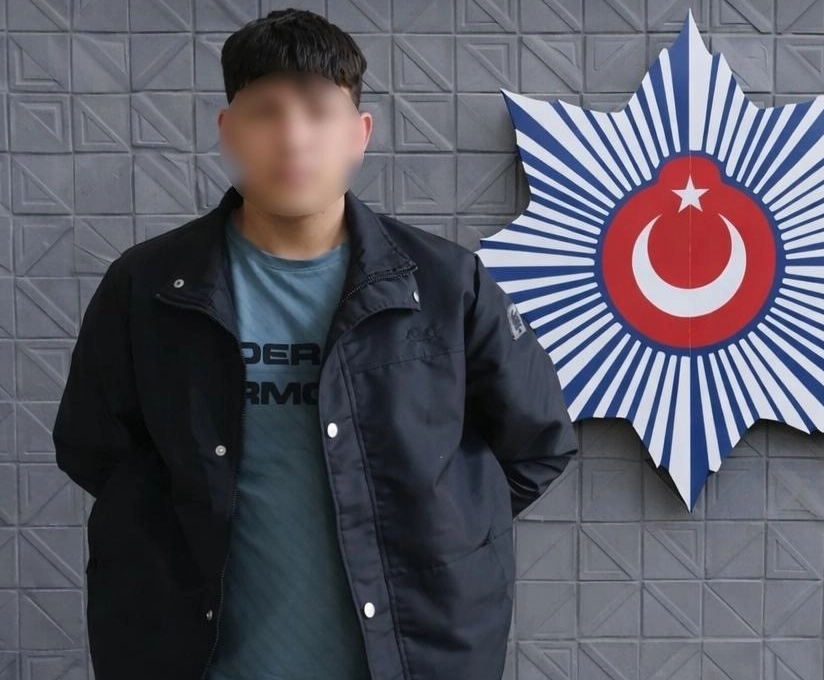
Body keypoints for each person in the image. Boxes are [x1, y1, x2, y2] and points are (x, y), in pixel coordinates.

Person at [52, 8, 578, 680]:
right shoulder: (148, 286)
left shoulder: (447, 284)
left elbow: (537, 443)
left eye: (318, 111)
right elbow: (93, 448)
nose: (293, 136)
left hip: (410, 656)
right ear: (228, 131)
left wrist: (435, 531)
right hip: (197, 658)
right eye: (266, 111)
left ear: (360, 133)